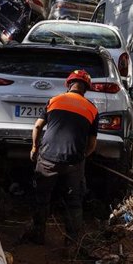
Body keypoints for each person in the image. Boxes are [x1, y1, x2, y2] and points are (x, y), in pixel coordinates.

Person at [24, 69, 99, 245]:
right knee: (74, 202)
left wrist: (35, 148)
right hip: (73, 162)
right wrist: (81, 157)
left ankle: (38, 237)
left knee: (41, 198)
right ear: (86, 88)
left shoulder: (54, 101)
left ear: (68, 84)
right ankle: (71, 245)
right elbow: (92, 144)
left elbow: (37, 127)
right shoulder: (92, 109)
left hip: (47, 158)